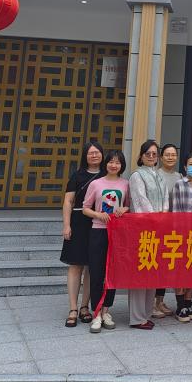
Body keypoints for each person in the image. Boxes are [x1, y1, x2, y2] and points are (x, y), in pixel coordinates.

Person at [81, 149, 129, 333]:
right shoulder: (96, 184)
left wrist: (125, 209)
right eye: (111, 161)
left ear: (121, 165)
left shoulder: (125, 184)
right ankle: (96, 313)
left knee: (112, 273)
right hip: (98, 231)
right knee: (96, 272)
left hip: (117, 233)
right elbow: (85, 208)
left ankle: (107, 311)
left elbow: (128, 205)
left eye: (117, 162)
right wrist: (98, 214)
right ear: (106, 163)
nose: (114, 165)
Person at [60, 141, 102, 327]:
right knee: (75, 265)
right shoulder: (77, 175)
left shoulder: (106, 175)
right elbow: (68, 201)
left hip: (98, 223)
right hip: (78, 222)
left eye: (97, 152)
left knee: (92, 266)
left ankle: (85, 307)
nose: (94, 155)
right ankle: (73, 308)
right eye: (91, 153)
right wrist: (66, 225)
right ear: (85, 156)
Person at [128, 139, 166, 330]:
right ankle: (137, 317)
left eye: (154, 154)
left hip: (159, 228)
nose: (151, 157)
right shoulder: (137, 175)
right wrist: (154, 218)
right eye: (147, 154)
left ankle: (146, 313)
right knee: (140, 272)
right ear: (141, 156)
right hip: (143, 229)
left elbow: (166, 198)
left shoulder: (159, 175)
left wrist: (164, 215)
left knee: (152, 271)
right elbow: (140, 200)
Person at [168, 152, 192, 323]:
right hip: (183, 233)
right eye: (190, 164)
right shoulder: (179, 184)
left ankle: (188, 303)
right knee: (180, 270)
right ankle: (180, 306)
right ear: (184, 167)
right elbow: (175, 211)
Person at [153, 143, 183, 319]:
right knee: (158, 265)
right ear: (161, 157)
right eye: (167, 154)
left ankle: (160, 300)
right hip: (160, 226)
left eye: (173, 155)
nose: (170, 157)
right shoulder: (156, 175)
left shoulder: (180, 177)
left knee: (167, 266)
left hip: (175, 228)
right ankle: (153, 302)